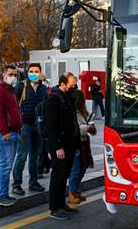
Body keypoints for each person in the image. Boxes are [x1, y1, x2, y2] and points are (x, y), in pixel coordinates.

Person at [45, 73, 80, 220]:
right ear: (63, 83)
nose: (74, 86)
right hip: (60, 146)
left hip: (69, 144)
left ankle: (61, 204)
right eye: (71, 84)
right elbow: (51, 126)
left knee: (64, 175)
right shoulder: (54, 99)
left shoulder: (67, 97)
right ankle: (54, 208)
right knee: (57, 176)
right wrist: (57, 146)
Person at [12, 63, 49, 195]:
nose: (34, 73)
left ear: (40, 73)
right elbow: (13, 105)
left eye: (36, 71)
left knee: (35, 156)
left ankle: (33, 182)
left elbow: (46, 106)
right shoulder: (21, 86)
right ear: (27, 73)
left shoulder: (43, 89)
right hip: (25, 126)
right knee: (22, 156)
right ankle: (16, 184)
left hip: (38, 126)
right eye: (31, 71)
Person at [0, 65, 22, 207]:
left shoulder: (10, 91)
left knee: (5, 165)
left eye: (15, 74)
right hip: (4, 133)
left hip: (12, 131)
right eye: (10, 74)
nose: (13, 77)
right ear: (3, 75)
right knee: (5, 166)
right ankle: (2, 196)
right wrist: (5, 131)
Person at [68, 90, 97, 204]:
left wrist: (92, 128)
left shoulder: (84, 112)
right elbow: (72, 130)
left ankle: (76, 191)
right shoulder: (70, 112)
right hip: (75, 143)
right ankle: (72, 193)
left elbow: (92, 129)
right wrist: (87, 128)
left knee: (83, 167)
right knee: (75, 169)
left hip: (84, 143)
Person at [38, 72, 52, 178]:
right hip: (40, 122)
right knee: (42, 148)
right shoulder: (42, 90)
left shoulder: (44, 89)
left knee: (43, 148)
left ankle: (44, 165)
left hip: (42, 121)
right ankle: (41, 167)